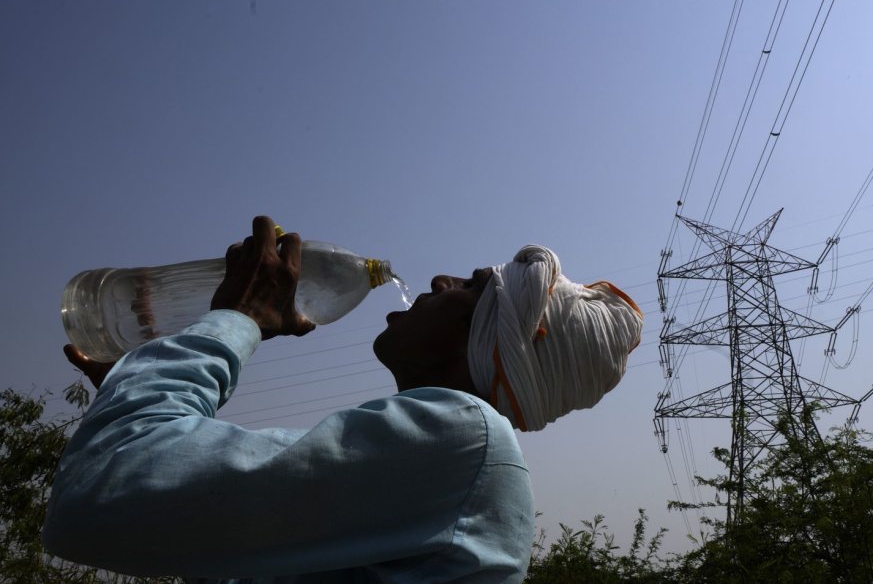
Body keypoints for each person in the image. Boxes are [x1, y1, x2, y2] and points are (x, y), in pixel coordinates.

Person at [43, 216, 643, 583]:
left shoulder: (467, 438)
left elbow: (98, 500)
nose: (440, 281)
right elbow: (193, 541)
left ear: (495, 340)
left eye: (472, 286)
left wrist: (237, 317)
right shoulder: (445, 472)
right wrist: (144, 400)